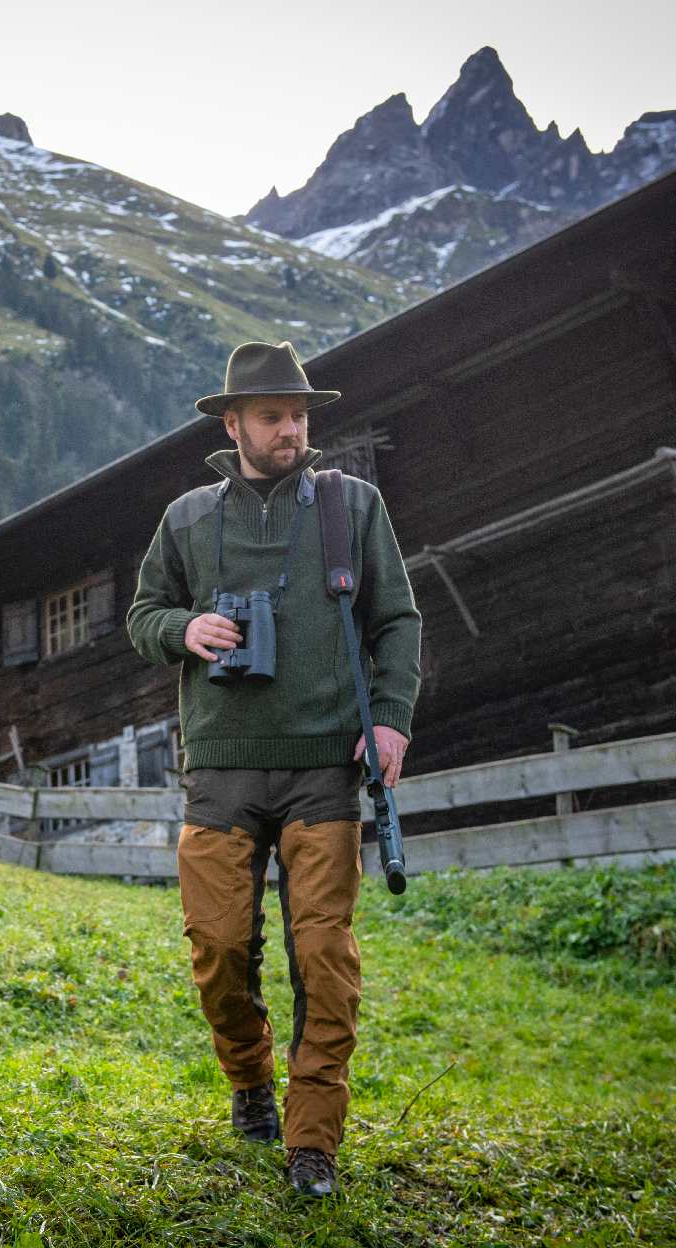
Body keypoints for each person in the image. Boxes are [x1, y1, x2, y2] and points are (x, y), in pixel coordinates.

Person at [127, 340, 421, 1197]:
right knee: (218, 949)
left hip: (323, 765)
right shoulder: (186, 518)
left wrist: (391, 722)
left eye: (298, 414)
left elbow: (396, 620)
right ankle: (250, 1079)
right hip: (219, 766)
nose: (289, 428)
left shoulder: (350, 507)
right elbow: (144, 614)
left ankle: (313, 1141)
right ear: (234, 424)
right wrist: (184, 629)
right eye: (271, 415)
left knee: (324, 957)